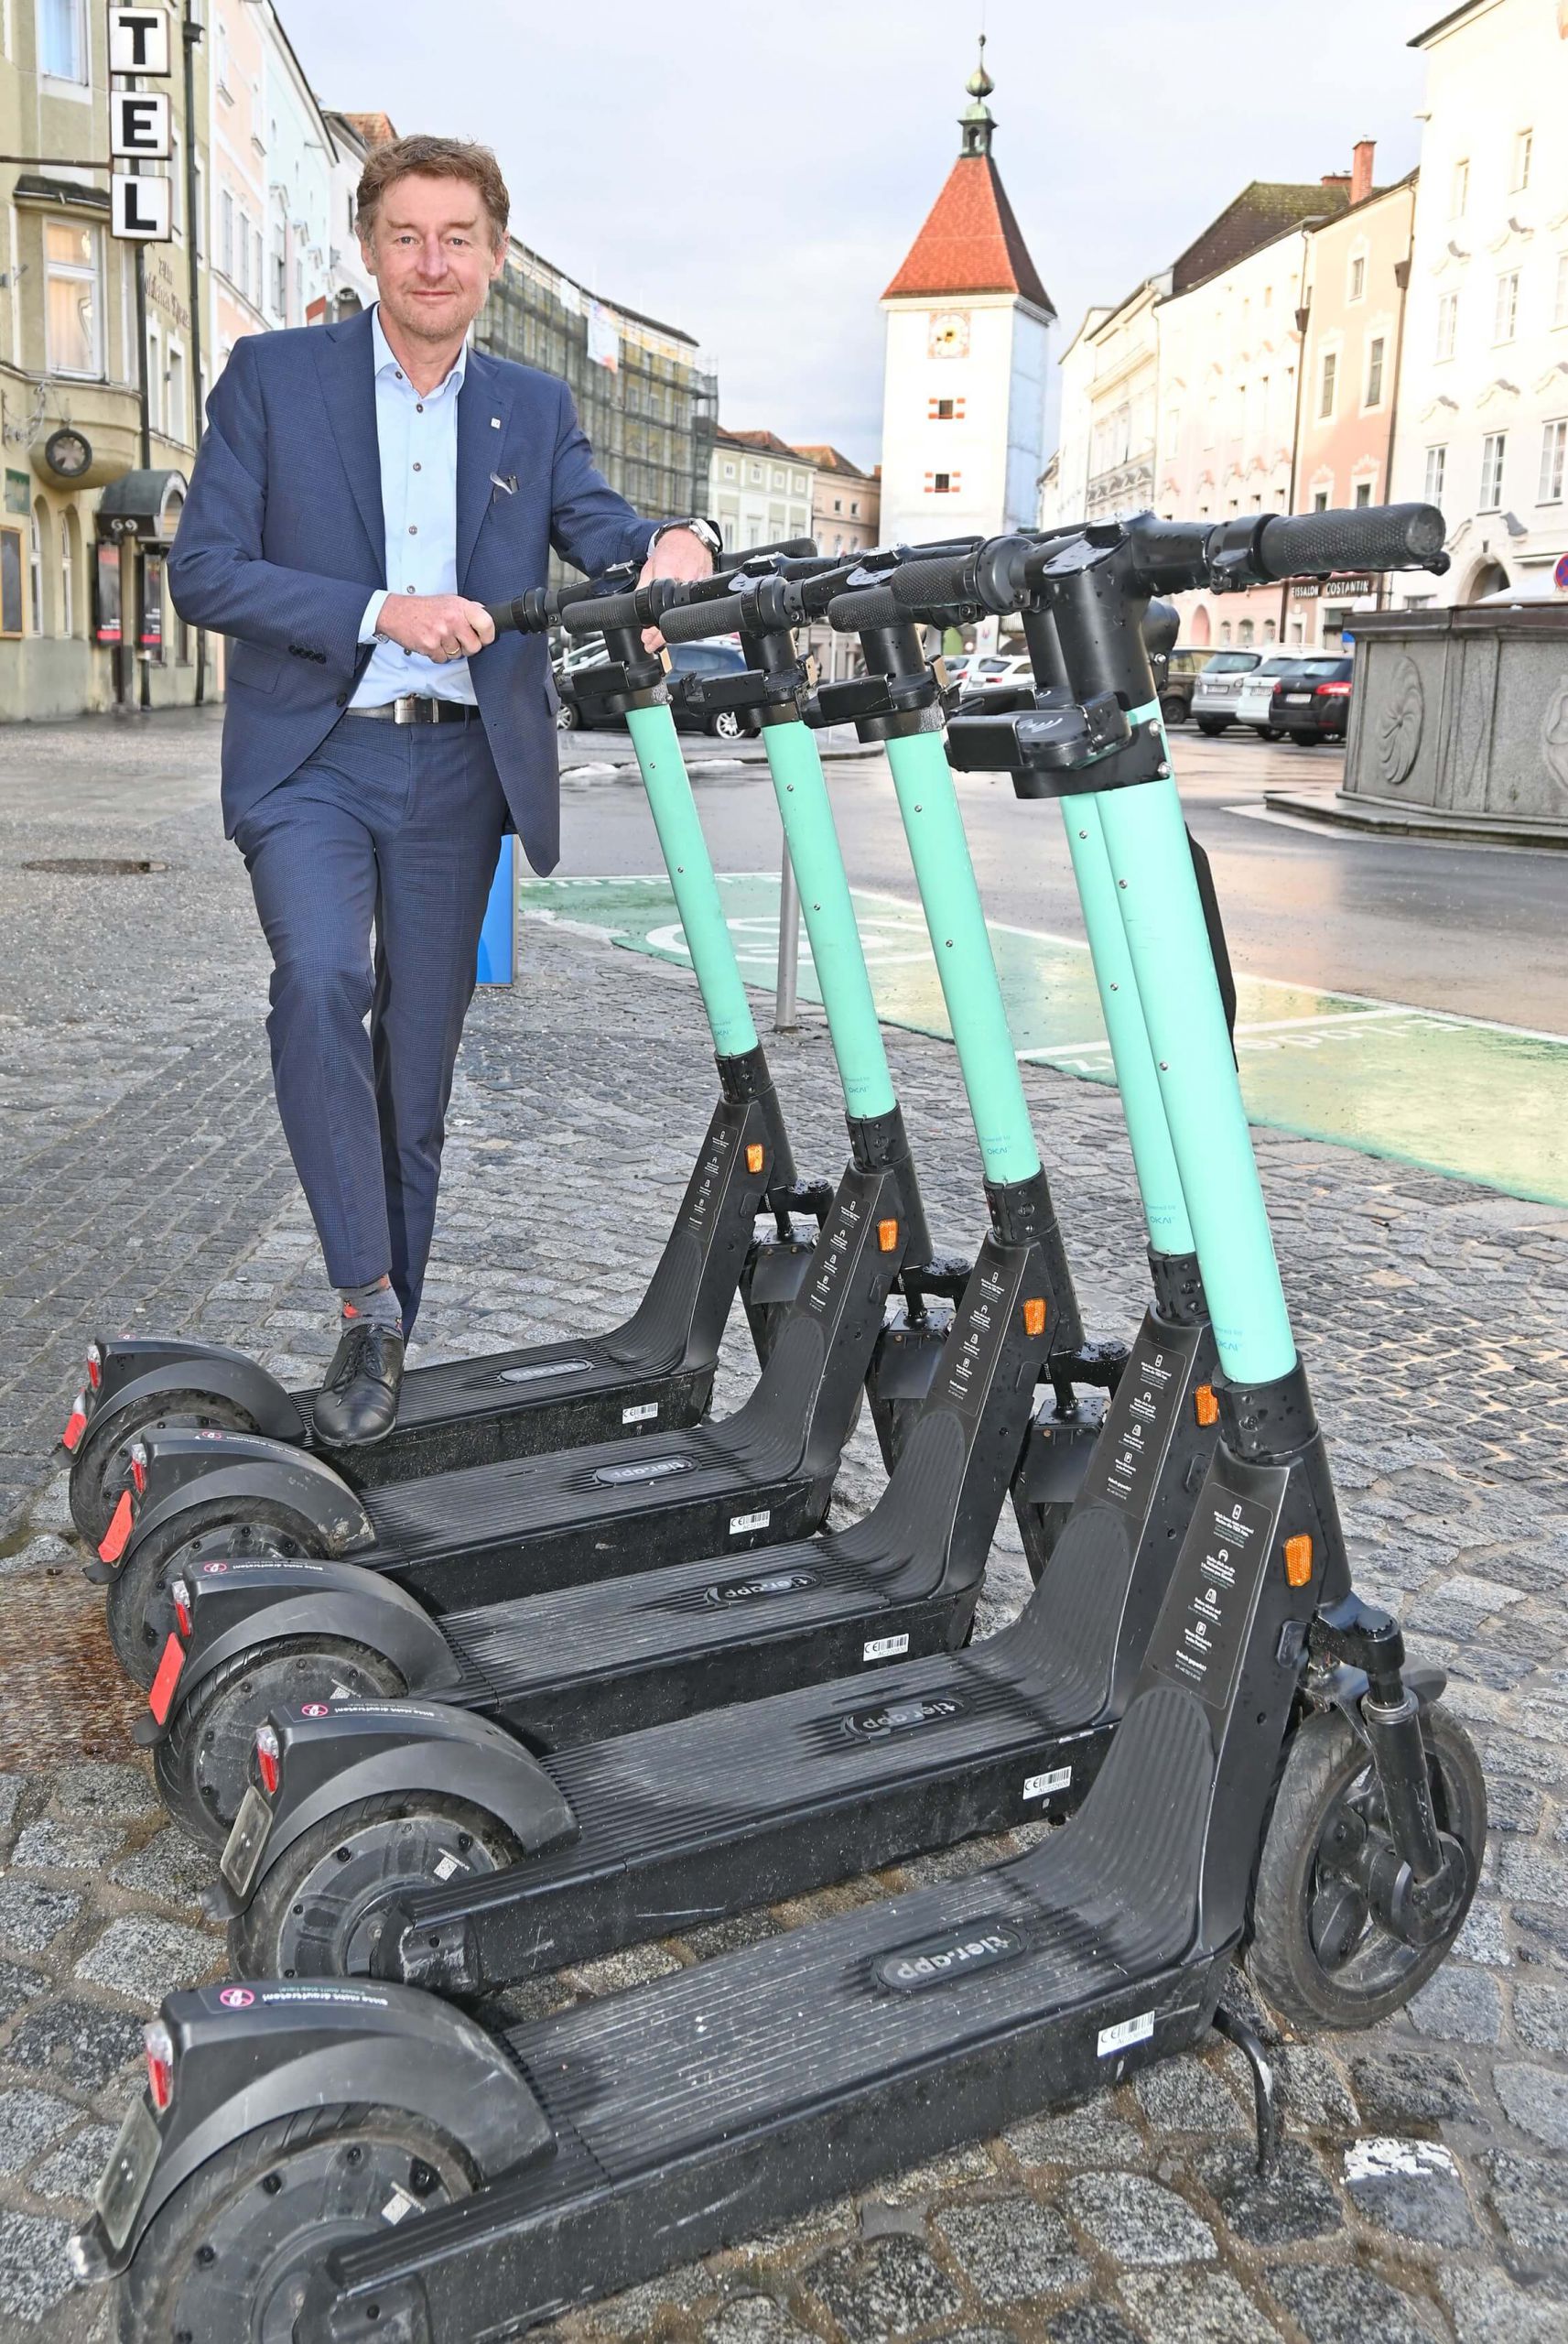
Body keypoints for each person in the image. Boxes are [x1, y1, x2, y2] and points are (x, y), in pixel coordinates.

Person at [168, 135, 717, 1445]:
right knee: (320, 982)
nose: (431, 261)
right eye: (406, 236)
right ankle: (367, 1303)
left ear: (493, 255)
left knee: (416, 1068)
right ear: (367, 246)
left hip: (458, 769)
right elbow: (206, 572)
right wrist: (378, 611)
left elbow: (598, 526)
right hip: (315, 754)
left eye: (455, 238)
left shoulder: (527, 408)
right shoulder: (273, 378)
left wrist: (669, 542)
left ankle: (383, 1354)